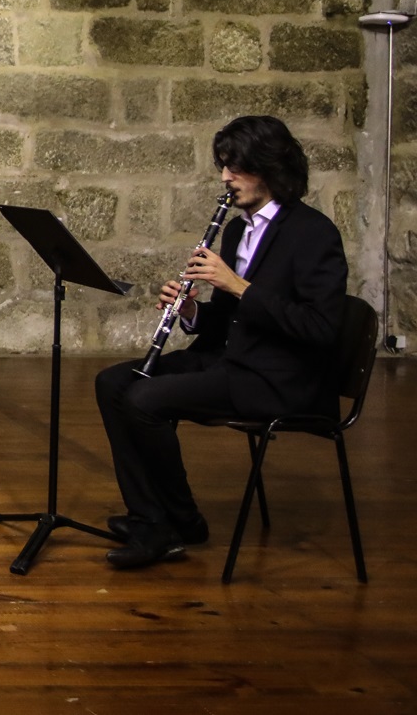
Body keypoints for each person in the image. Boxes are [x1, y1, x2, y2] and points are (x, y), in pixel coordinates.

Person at [94, 115, 348, 569]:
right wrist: (191, 312)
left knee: (145, 400)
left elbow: (320, 328)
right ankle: (155, 518)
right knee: (113, 383)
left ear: (272, 168)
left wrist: (239, 286)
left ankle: (178, 520)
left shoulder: (314, 234)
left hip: (279, 377)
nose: (226, 178)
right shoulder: (235, 230)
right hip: (228, 360)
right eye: (224, 166)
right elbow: (226, 322)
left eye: (237, 167)